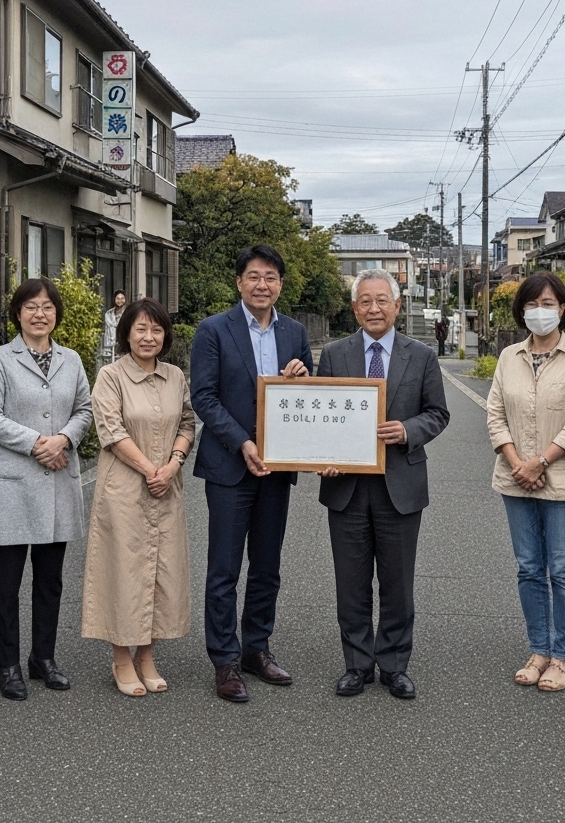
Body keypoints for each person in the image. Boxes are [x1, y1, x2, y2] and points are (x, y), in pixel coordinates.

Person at [317, 269, 450, 699]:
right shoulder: (335, 354)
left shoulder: (423, 355)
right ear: (354, 308)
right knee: (351, 581)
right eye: (365, 301)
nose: (374, 308)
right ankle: (357, 664)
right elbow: (322, 417)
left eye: (382, 300)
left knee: (397, 582)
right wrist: (323, 457)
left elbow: (437, 413)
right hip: (347, 485)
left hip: (401, 483)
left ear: (397, 305)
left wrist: (408, 430)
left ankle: (394, 665)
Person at [190, 245, 313, 702]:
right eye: (254, 276)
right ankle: (224, 659)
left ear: (280, 284)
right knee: (224, 568)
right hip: (229, 465)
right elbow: (204, 397)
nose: (263, 285)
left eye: (271, 277)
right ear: (239, 282)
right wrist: (243, 442)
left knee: (267, 566)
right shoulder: (213, 331)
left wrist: (302, 376)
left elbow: (303, 399)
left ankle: (256, 649)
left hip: (277, 468)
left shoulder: (295, 332)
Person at [0, 278, 92, 701]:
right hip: (13, 482)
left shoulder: (72, 360)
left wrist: (63, 439)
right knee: (6, 581)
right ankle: (7, 663)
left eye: (46, 306)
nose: (39, 313)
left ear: (56, 314)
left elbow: (85, 408)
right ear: (18, 313)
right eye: (30, 306)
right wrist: (38, 443)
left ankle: (43, 658)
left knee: (50, 579)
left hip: (58, 480)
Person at [486, 271, 565, 693]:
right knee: (530, 568)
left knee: (564, 569)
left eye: (548, 304)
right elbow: (495, 413)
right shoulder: (508, 356)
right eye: (532, 305)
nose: (539, 312)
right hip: (516, 479)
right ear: (521, 311)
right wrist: (518, 462)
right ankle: (538, 650)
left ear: (563, 309)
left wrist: (541, 462)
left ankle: (563, 656)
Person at [82, 297, 196, 696]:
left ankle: (147, 655)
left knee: (161, 571)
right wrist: (152, 470)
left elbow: (187, 422)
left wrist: (174, 465)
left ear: (165, 336)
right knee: (124, 571)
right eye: (141, 330)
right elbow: (110, 432)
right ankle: (120, 658)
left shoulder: (175, 376)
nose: (148, 337)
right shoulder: (110, 377)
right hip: (125, 490)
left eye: (156, 330)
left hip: (167, 487)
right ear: (126, 334)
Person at [101, 290, 127, 363]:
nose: (120, 301)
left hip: (123, 346)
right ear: (114, 299)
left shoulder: (128, 313)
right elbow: (106, 331)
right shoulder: (108, 314)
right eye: (118, 298)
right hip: (110, 346)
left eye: (122, 298)